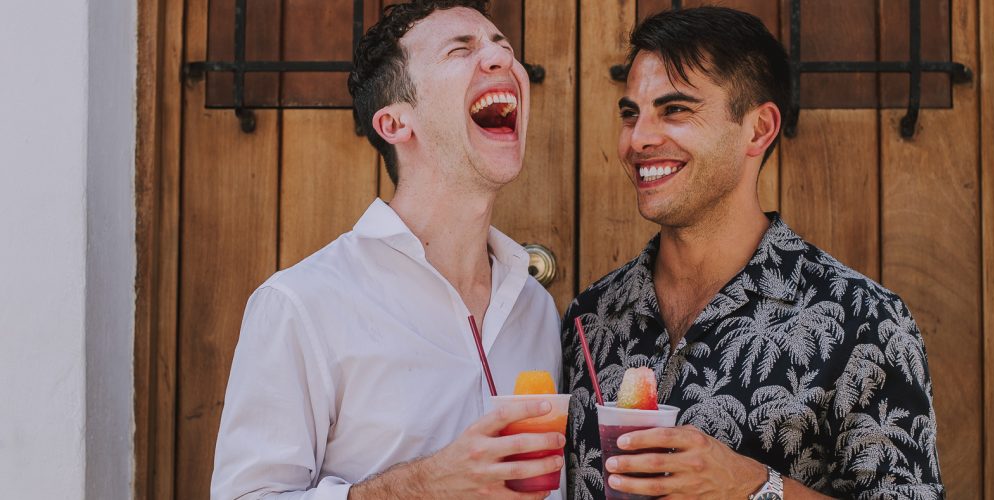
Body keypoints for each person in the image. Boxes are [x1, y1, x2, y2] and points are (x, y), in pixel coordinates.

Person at [561, 6, 944, 499]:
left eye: (675, 109)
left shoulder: (864, 323)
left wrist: (753, 486)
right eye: (631, 113)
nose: (639, 139)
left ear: (759, 129)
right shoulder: (589, 319)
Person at [211, 1, 565, 498]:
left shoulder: (537, 310)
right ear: (395, 124)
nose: (500, 59)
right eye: (460, 49)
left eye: (503, 47)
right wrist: (418, 486)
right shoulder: (301, 305)